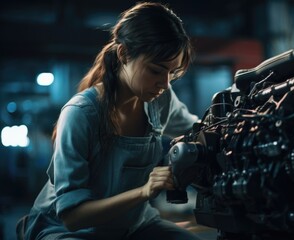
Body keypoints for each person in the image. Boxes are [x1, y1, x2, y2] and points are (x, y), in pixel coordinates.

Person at [17, 2, 201, 239]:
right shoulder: (80, 114)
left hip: (134, 225)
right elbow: (72, 217)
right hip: (70, 230)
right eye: (156, 70)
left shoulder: (160, 100)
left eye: (172, 73)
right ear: (124, 54)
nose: (165, 83)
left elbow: (198, 130)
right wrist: (143, 191)